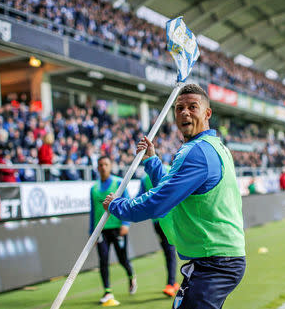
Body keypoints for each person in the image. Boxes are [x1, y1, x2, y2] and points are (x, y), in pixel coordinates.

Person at [103, 84, 245, 309]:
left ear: (207, 114)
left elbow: (159, 202)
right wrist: (152, 161)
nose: (185, 112)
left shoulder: (197, 152)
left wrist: (118, 206)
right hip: (215, 258)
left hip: (215, 261)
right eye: (179, 108)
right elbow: (174, 190)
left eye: (192, 107)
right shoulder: (213, 147)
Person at [90, 156, 137, 304]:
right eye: (100, 165)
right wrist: (92, 233)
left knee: (123, 259)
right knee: (103, 260)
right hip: (101, 231)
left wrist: (126, 224)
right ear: (97, 168)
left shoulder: (118, 183)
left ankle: (131, 276)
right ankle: (108, 292)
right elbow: (93, 212)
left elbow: (127, 203)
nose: (103, 167)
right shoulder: (94, 188)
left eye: (106, 164)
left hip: (118, 228)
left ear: (110, 166)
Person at [138, 171, 179, 297]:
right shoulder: (171, 169)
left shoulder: (145, 178)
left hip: (159, 220)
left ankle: (171, 283)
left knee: (169, 251)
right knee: (170, 250)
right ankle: (173, 283)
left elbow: (141, 198)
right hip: (170, 218)